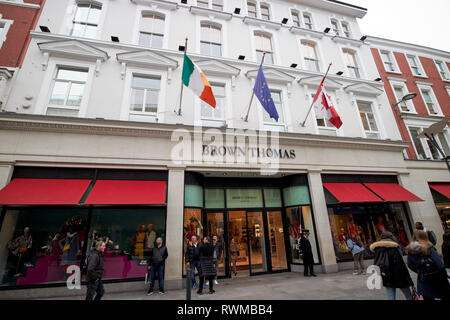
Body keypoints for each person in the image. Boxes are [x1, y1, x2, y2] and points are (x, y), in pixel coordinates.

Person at [407, 230, 450, 300]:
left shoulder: (410, 250)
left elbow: (410, 265)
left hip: (423, 281)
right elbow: (440, 265)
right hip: (438, 278)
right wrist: (445, 276)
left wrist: (420, 271)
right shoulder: (429, 248)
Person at [370, 231, 413, 300]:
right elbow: (401, 264)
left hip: (386, 275)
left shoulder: (377, 249)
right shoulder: (395, 247)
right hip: (399, 275)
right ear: (391, 236)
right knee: (408, 295)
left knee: (390, 295)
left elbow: (376, 263)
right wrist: (410, 281)